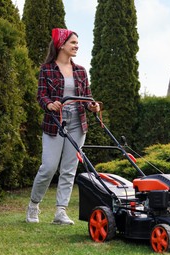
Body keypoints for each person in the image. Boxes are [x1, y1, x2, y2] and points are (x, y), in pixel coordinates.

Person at [26, 28, 100, 224]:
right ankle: (34, 205)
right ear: (61, 45)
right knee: (48, 167)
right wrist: (49, 104)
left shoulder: (81, 71)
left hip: (77, 124)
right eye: (73, 43)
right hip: (55, 123)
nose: (77, 46)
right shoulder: (47, 69)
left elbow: (86, 97)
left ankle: (60, 212)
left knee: (69, 169)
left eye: (77, 43)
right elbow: (41, 95)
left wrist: (93, 105)